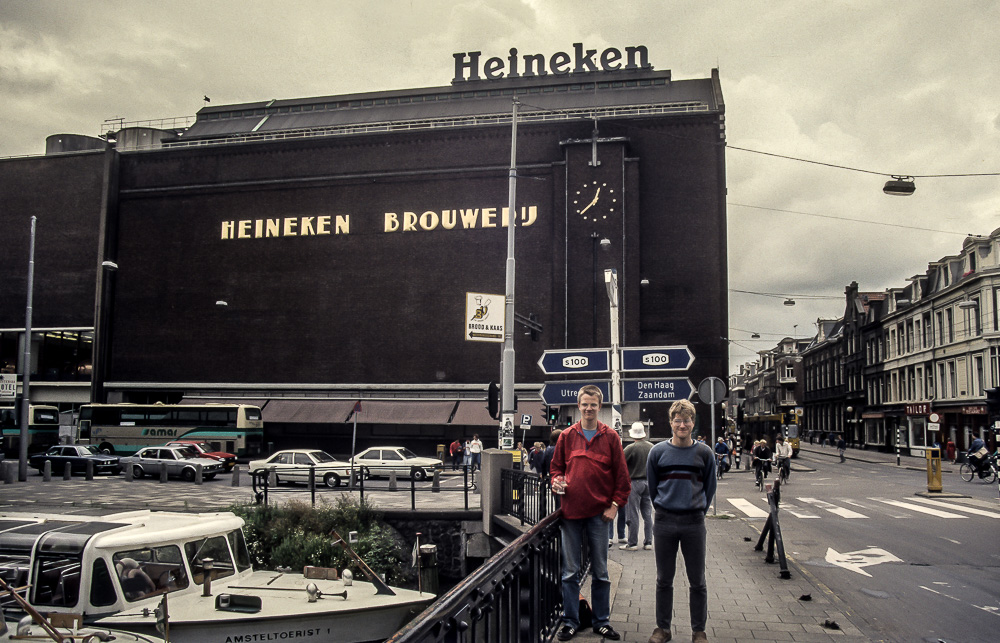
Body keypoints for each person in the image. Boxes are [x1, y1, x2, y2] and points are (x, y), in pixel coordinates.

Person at [550, 385, 630, 641]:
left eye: (593, 404)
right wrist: (557, 480)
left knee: (601, 571)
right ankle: (571, 621)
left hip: (599, 515)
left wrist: (615, 505)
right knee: (570, 572)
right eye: (584, 404)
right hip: (570, 514)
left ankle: (601, 622)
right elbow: (556, 469)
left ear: (600, 406)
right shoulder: (566, 436)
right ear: (578, 405)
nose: (588, 408)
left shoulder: (610, 438)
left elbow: (622, 478)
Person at [646, 399, 716, 643]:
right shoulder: (657, 452)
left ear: (692, 423)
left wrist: (697, 510)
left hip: (694, 523)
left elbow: (710, 486)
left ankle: (699, 631)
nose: (682, 425)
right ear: (671, 423)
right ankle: (662, 629)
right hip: (664, 521)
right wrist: (665, 508)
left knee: (698, 580)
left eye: (686, 420)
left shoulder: (704, 453)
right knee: (664, 579)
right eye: (678, 420)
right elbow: (653, 488)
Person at [621, 421, 654, 551]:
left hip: (634, 482)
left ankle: (632, 543)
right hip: (648, 482)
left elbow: (620, 463)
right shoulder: (651, 447)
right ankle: (648, 542)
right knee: (647, 513)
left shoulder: (631, 448)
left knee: (633, 513)